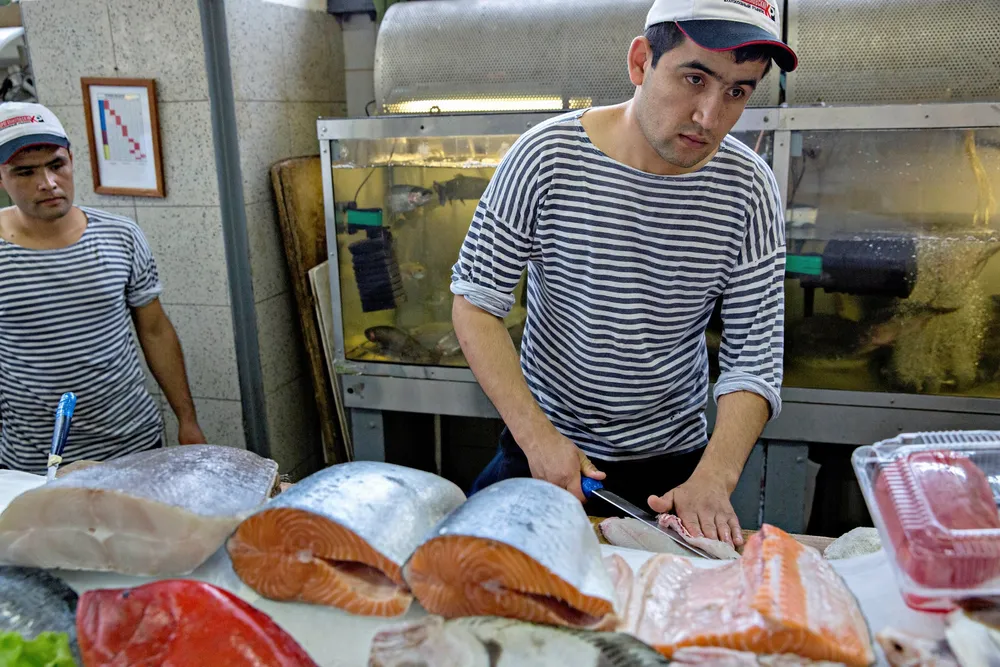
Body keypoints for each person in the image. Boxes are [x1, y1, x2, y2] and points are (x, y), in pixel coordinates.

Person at [450, 0, 798, 547]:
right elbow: (475, 303)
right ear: (641, 62)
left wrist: (715, 476)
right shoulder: (545, 156)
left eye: (737, 91)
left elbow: (754, 354)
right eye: (694, 78)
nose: (710, 117)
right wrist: (537, 439)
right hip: (546, 447)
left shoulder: (748, 188)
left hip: (673, 469)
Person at [0, 102, 206, 474]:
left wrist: (187, 419)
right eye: (25, 172)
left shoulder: (120, 236)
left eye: (56, 165)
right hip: (34, 461)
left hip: (134, 446)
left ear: (71, 161)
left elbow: (155, 331)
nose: (48, 183)